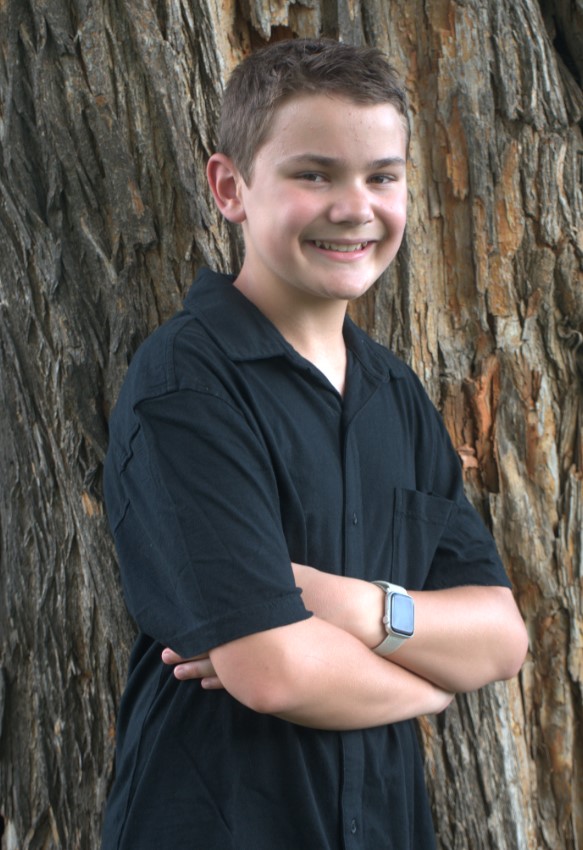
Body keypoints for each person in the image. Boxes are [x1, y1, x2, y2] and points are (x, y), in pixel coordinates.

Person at [101, 38, 528, 850]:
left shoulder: (395, 395)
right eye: (314, 174)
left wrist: (350, 606)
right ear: (230, 188)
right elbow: (274, 671)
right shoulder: (187, 383)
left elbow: (500, 637)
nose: (354, 206)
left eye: (381, 176)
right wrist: (431, 685)